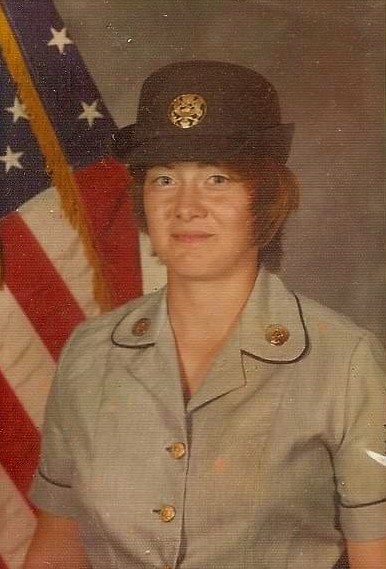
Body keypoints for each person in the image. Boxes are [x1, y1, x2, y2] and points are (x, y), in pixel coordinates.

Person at [24, 60, 386, 569]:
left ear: (264, 197)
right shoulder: (90, 353)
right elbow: (58, 548)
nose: (186, 207)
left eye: (217, 178)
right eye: (164, 178)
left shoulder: (347, 363)